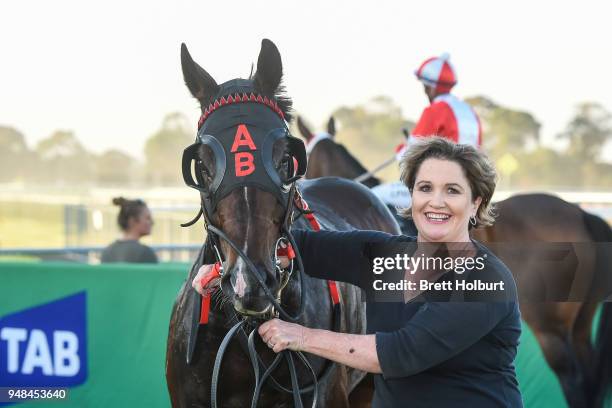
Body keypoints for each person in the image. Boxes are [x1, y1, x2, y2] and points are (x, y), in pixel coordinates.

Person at [193, 137, 522, 407]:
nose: (436, 202)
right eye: (425, 188)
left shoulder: (485, 278)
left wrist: (301, 336)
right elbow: (294, 247)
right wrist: (228, 268)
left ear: (476, 203)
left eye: (452, 190)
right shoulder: (388, 257)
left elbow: (400, 353)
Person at [100, 197, 158, 263]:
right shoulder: (145, 253)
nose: (152, 222)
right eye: (147, 218)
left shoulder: (107, 252)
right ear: (132, 221)